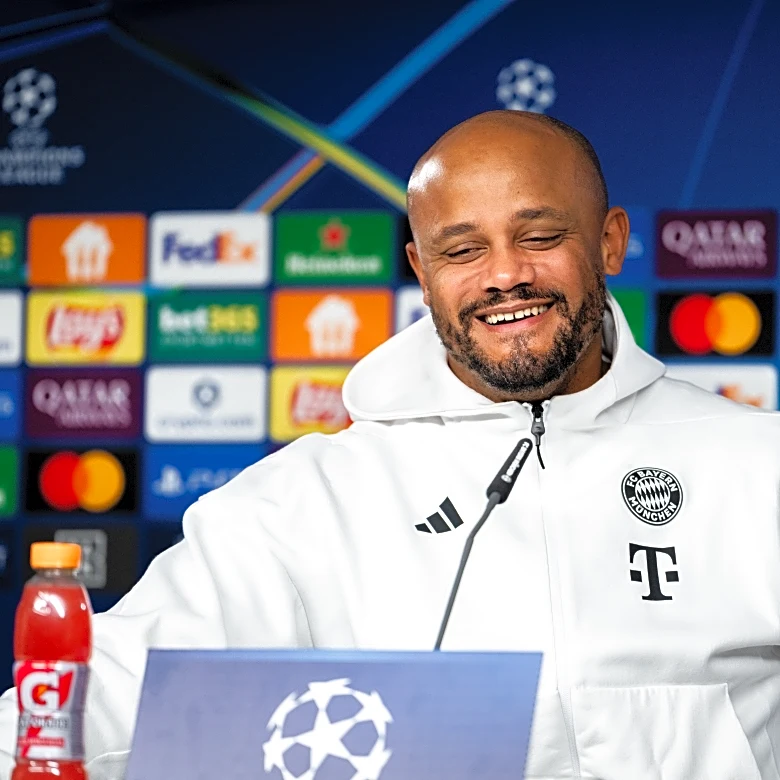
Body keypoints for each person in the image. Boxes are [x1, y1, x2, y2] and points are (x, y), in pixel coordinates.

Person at [1, 110, 779, 779]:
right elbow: (96, 701)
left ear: (610, 243)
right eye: (462, 250)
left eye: (539, 236)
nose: (504, 276)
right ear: (420, 267)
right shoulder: (305, 500)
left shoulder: (754, 464)